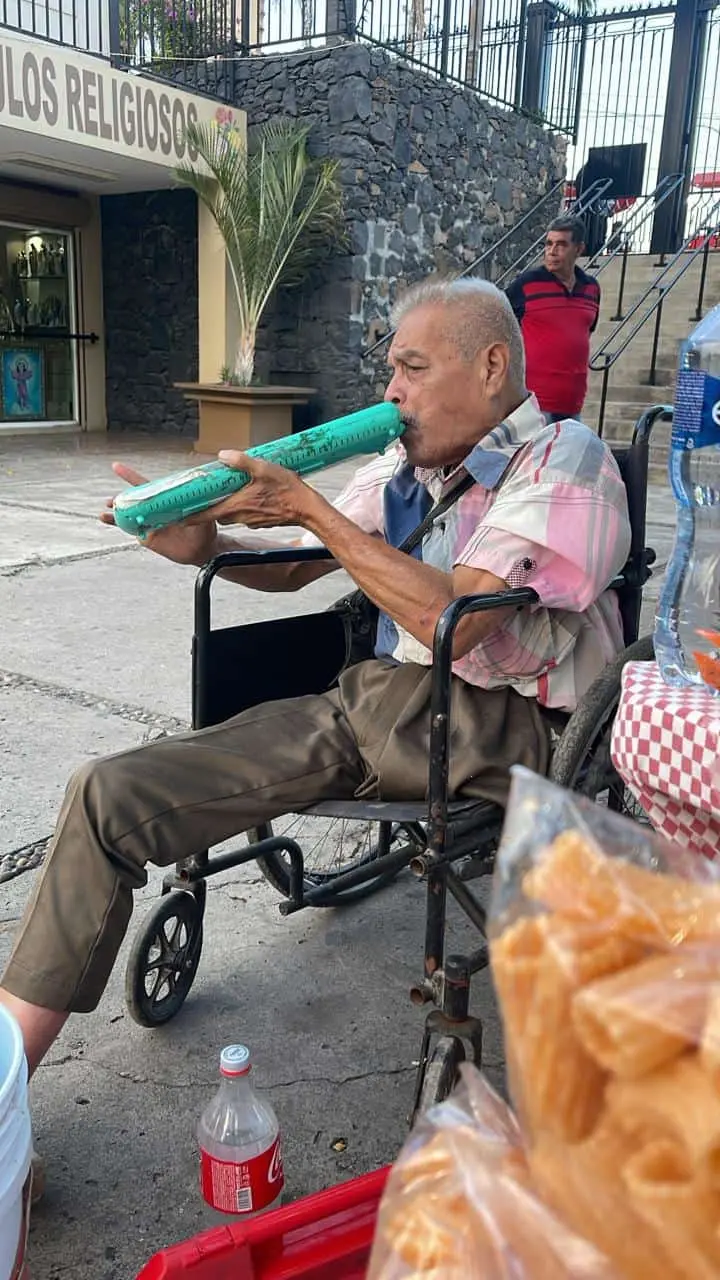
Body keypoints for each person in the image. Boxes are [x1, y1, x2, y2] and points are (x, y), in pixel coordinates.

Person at [0, 278, 631, 1095]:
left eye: (411, 369)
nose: (392, 393)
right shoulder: (404, 461)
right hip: (376, 702)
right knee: (104, 793)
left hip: (505, 725)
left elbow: (458, 621)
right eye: (390, 373)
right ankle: (9, 1107)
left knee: (370, 688)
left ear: (490, 366)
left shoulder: (561, 457)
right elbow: (300, 564)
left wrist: (309, 508)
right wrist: (205, 541)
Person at [505, 215, 601, 423]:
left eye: (561, 245)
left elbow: (585, 333)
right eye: (549, 244)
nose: (552, 251)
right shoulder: (526, 284)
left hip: (573, 403)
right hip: (534, 405)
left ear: (579, 249)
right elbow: (498, 321)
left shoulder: (591, 288)